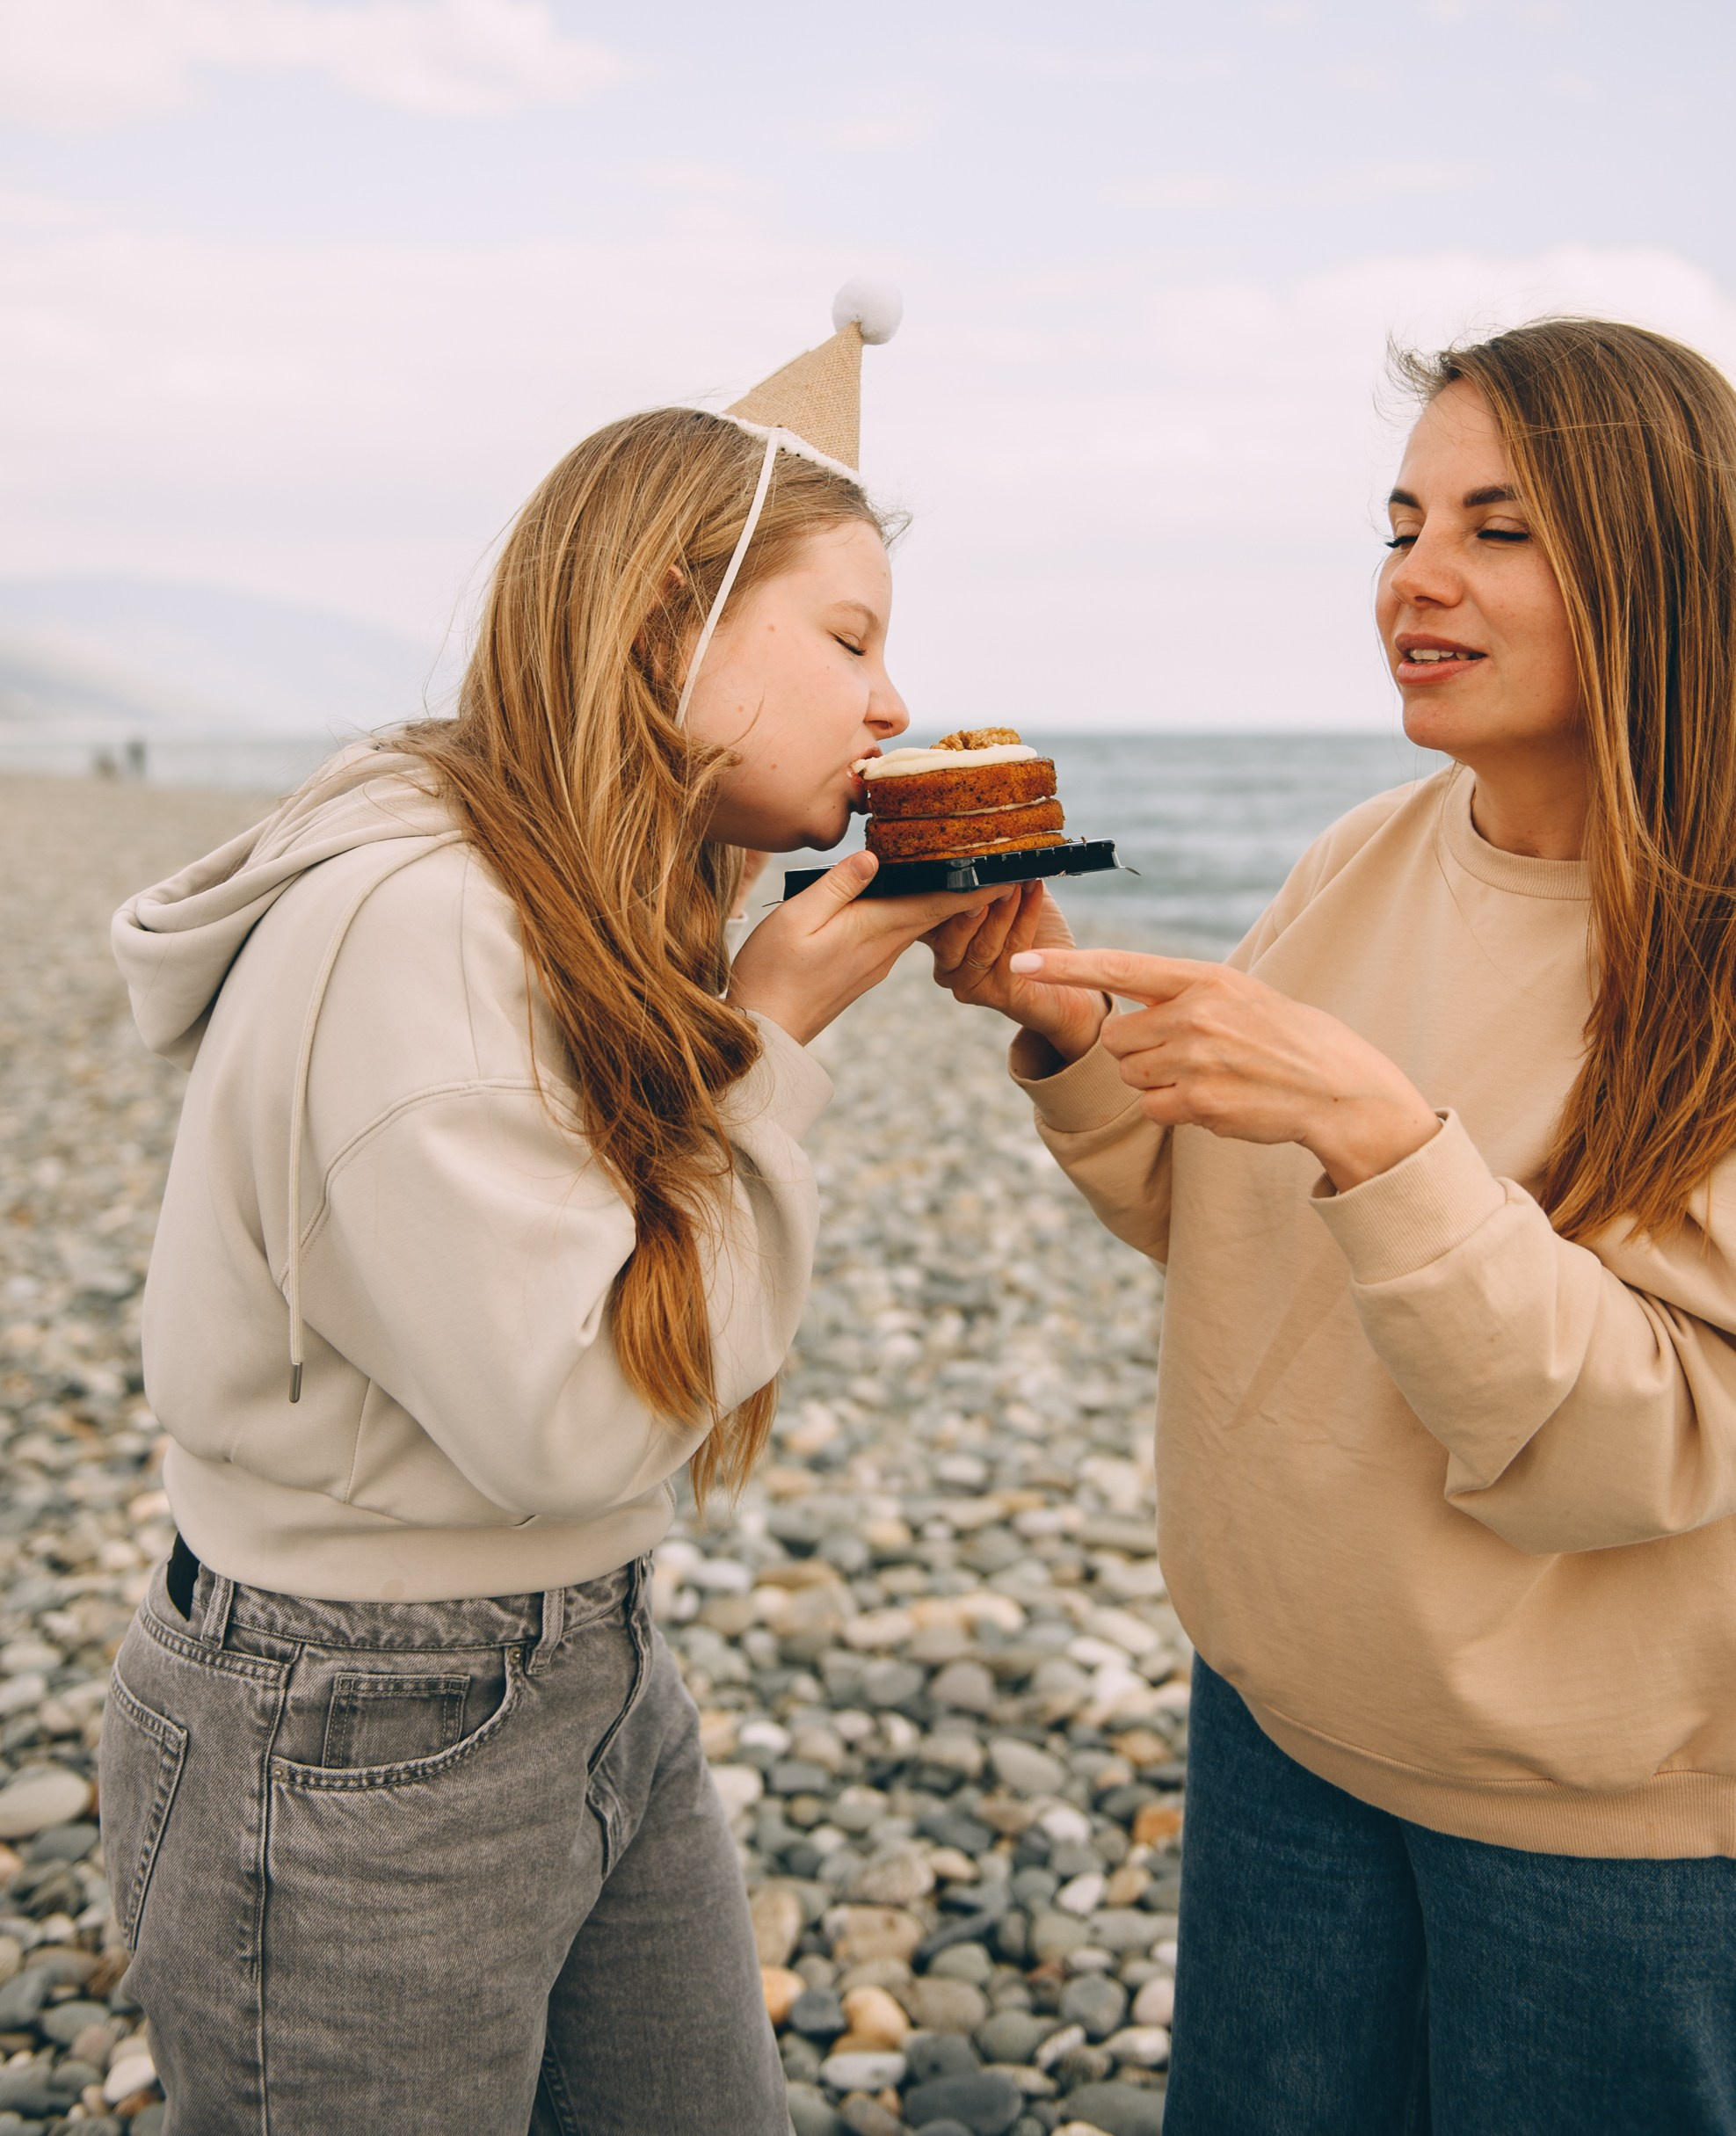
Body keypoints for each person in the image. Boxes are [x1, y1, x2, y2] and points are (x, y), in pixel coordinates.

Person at [100, 287, 997, 2134]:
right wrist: (772, 1033)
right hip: (356, 1728)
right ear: (666, 613)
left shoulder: (566, 899)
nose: (893, 701)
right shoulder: (428, 926)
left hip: (580, 1655)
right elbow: (573, 1414)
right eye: (846, 636)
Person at [928, 317, 1736, 2133]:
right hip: (1281, 1721)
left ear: (1665, 563)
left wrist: (1386, 1136)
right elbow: (1248, 1239)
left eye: (1499, 529)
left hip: (1596, 1823)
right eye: (1399, 523)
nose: (1414, 581)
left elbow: (1652, 1445)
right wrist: (1073, 1037)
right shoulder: (1364, 851)